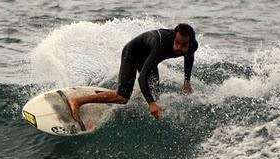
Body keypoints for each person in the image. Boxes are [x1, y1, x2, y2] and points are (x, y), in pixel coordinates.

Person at [67, 23, 198, 121]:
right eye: (176, 42)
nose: (178, 47)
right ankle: (77, 101)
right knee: (123, 98)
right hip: (133, 52)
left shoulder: (192, 46)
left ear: (190, 43)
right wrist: (151, 104)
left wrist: (187, 81)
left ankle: (111, 94)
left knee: (153, 92)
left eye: (183, 45)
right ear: (174, 37)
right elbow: (142, 78)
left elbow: (189, 56)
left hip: (148, 57)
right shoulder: (161, 45)